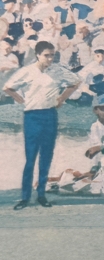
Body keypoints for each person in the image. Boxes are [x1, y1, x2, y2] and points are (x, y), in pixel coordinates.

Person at [3, 41, 80, 209]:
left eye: (52, 55)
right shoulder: (27, 71)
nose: (50, 58)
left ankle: (41, 195)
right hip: (32, 116)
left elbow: (75, 82)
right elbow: (7, 87)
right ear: (38, 54)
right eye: (47, 55)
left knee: (46, 157)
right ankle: (25, 198)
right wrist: (21, 100)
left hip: (50, 115)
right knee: (30, 159)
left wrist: (61, 98)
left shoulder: (57, 70)